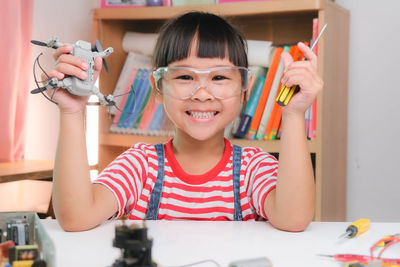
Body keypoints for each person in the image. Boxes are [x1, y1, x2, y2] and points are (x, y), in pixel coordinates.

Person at [47, 11, 322, 232]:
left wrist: (294, 113)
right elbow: (77, 218)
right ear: (158, 86)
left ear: (244, 89)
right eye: (184, 77)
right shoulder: (140, 165)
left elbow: (293, 219)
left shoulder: (254, 167)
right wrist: (72, 112)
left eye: (219, 77)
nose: (202, 94)